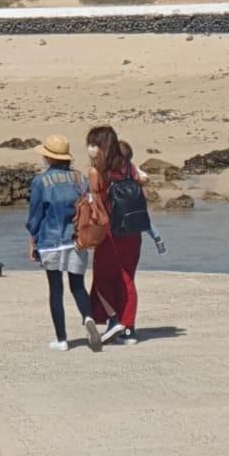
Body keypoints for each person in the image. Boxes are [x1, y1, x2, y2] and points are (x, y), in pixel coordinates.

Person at [85, 125, 164, 345]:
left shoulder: (98, 171)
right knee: (127, 278)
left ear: (101, 146)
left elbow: (96, 203)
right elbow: (143, 190)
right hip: (133, 230)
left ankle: (113, 320)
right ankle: (129, 329)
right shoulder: (129, 167)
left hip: (110, 232)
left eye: (93, 144)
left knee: (102, 279)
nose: (90, 149)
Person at [26, 135, 102, 353]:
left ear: (48, 158)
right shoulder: (79, 178)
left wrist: (33, 239)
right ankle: (88, 318)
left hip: (50, 241)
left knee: (55, 289)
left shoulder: (40, 181)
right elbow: (88, 207)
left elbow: (36, 214)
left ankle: (61, 339)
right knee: (78, 286)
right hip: (76, 240)